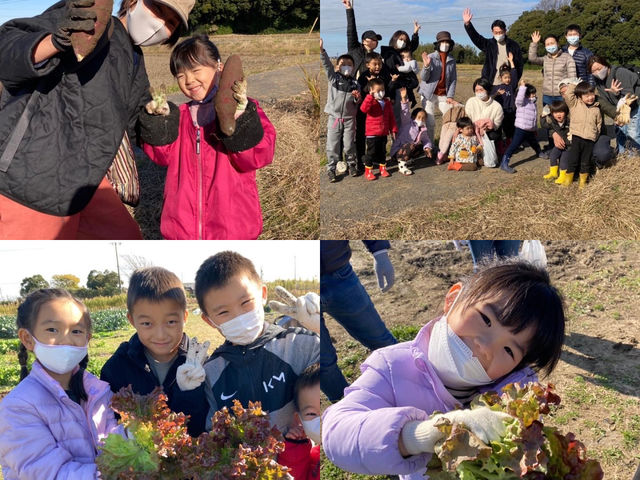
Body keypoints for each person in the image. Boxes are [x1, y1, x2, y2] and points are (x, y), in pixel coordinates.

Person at [322, 260, 566, 479]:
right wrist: (420, 435)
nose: (486, 347)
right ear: (453, 299)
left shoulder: (519, 389)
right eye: (486, 319)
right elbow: (337, 433)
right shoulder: (391, 366)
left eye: (509, 350)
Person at [0, 0, 193, 240]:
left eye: (171, 23)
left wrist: (159, 118)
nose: (160, 24)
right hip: (33, 172)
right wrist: (56, 41)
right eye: (158, 10)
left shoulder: (135, 60)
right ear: (133, 2)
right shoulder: (88, 17)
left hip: (86, 177)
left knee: (126, 236)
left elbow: (136, 125)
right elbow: (6, 49)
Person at [140, 35, 275, 239]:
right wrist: (159, 123)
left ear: (218, 67)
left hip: (233, 225)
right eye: (180, 75)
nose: (189, 80)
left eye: (195, 71)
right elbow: (161, 156)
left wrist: (238, 116)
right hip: (182, 227)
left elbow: (259, 156)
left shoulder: (244, 109)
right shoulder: (179, 115)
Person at [0, 289, 124, 478]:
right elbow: (48, 473)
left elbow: (112, 443)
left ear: (87, 339)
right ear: (27, 338)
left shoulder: (97, 391)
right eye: (52, 330)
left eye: (76, 331)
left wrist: (134, 438)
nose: (66, 339)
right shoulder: (18, 406)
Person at [196, 251, 319, 435]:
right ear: (209, 321)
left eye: (246, 302)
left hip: (300, 460)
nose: (239, 316)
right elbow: (212, 434)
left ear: (262, 294)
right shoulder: (211, 372)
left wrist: (319, 328)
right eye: (223, 313)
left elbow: (333, 379)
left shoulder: (299, 345)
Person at [100, 267, 209, 437]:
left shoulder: (201, 364)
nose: (160, 335)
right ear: (132, 320)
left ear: (185, 317)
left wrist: (188, 393)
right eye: (147, 324)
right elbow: (110, 426)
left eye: (171, 322)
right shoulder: (116, 368)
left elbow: (200, 428)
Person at [320, 240, 398, 403]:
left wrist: (379, 251)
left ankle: (409, 383)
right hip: (296, 285)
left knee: (381, 340)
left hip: (340, 275)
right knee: (323, 363)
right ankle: (348, 408)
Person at [343, 0, 386, 173]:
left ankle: (374, 158)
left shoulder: (376, 57)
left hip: (374, 97)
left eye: (376, 40)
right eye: (372, 38)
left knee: (373, 128)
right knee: (358, 129)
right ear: (364, 40)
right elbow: (351, 32)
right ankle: (358, 159)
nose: (374, 41)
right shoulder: (355, 49)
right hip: (357, 96)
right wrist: (350, 10)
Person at [321, 40, 361, 182]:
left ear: (353, 68)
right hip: (334, 118)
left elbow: (357, 102)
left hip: (350, 119)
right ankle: (331, 168)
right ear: (338, 66)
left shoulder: (355, 83)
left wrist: (357, 98)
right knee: (332, 144)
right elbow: (326, 66)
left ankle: (351, 165)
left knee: (349, 144)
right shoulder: (334, 79)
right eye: (343, 64)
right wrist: (322, 51)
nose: (346, 67)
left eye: (349, 65)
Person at [278, 363, 321, 480]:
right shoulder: (314, 457)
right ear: (299, 419)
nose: (322, 420)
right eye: (312, 414)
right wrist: (295, 450)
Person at [588, 55, 640, 154]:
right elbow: (604, 99)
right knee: (620, 133)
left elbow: (630, 97)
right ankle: (622, 155)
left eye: (598, 69)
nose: (597, 73)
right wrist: (616, 115)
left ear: (605, 65)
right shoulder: (598, 81)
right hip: (618, 109)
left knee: (632, 134)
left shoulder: (620, 73)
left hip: (633, 106)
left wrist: (616, 94)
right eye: (593, 71)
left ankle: (634, 158)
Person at [419, 31, 458, 153]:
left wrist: (450, 96)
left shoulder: (452, 60)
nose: (445, 44)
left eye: (447, 42)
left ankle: (445, 145)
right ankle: (429, 146)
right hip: (429, 94)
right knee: (430, 122)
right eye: (442, 42)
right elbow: (424, 78)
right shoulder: (431, 57)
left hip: (443, 95)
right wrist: (426, 66)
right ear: (438, 43)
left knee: (450, 118)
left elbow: (453, 79)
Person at [462, 8, 523, 85]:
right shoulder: (488, 44)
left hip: (508, 84)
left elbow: (520, 66)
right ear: (492, 32)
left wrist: (514, 81)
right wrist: (468, 24)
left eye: (500, 32)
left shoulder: (514, 45)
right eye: (496, 32)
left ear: (505, 31)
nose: (498, 35)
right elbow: (476, 38)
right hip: (491, 84)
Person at [561, 80, 602, 188]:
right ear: (580, 96)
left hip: (589, 139)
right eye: (586, 96)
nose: (590, 98)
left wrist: (595, 135)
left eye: (591, 94)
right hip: (577, 137)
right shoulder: (575, 104)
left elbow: (599, 124)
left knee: (585, 161)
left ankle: (583, 182)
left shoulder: (596, 109)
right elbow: (568, 95)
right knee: (573, 159)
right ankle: (568, 179)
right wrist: (573, 84)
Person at [381, 23, 421, 123]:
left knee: (404, 113)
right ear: (394, 39)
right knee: (397, 116)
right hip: (395, 88)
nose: (402, 42)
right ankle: (397, 137)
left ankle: (402, 136)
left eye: (405, 40)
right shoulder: (389, 53)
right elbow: (391, 72)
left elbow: (413, 46)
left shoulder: (403, 52)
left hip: (404, 87)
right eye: (400, 39)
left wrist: (415, 33)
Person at [500, 80, 542, 174]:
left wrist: (534, 128)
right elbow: (519, 99)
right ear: (526, 95)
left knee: (534, 142)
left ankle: (539, 152)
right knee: (514, 145)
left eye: (535, 94)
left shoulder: (532, 103)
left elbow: (533, 117)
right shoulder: (521, 103)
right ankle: (504, 162)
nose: (534, 96)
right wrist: (522, 87)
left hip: (530, 129)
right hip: (521, 129)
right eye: (532, 94)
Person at [360, 78, 398, 180]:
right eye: (378, 91)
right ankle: (368, 171)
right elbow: (363, 109)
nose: (381, 92)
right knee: (371, 153)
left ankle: (383, 168)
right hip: (372, 133)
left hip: (383, 133)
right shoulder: (370, 101)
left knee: (383, 152)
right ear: (371, 91)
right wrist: (369, 96)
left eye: (382, 90)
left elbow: (391, 117)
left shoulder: (387, 102)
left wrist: (393, 129)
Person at [389, 88, 433, 175]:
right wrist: (404, 99)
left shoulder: (423, 129)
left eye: (423, 118)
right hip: (398, 152)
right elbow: (405, 112)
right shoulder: (407, 123)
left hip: (408, 151)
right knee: (411, 145)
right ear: (413, 117)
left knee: (420, 146)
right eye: (419, 117)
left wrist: (427, 147)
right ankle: (402, 166)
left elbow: (426, 140)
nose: (421, 120)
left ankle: (408, 160)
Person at [491, 54, 519, 155]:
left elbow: (514, 73)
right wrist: (497, 94)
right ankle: (499, 145)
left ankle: (509, 144)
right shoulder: (497, 88)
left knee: (510, 128)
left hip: (510, 111)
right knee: (499, 129)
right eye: (505, 77)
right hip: (501, 112)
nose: (508, 79)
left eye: (509, 77)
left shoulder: (511, 86)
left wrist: (511, 61)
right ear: (500, 78)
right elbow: (491, 98)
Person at [465, 77, 504, 147]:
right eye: (476, 90)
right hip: (472, 130)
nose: (479, 92)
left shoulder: (497, 106)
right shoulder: (471, 102)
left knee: (493, 135)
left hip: (488, 132)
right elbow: (467, 118)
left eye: (481, 90)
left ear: (488, 90)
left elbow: (497, 124)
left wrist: (487, 128)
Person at [540, 100, 571, 181]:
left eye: (561, 112)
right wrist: (543, 116)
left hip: (567, 147)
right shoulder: (553, 122)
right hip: (558, 145)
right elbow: (544, 125)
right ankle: (553, 173)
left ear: (565, 112)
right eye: (556, 113)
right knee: (553, 156)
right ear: (552, 114)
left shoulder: (568, 122)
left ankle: (563, 176)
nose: (558, 114)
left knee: (564, 162)